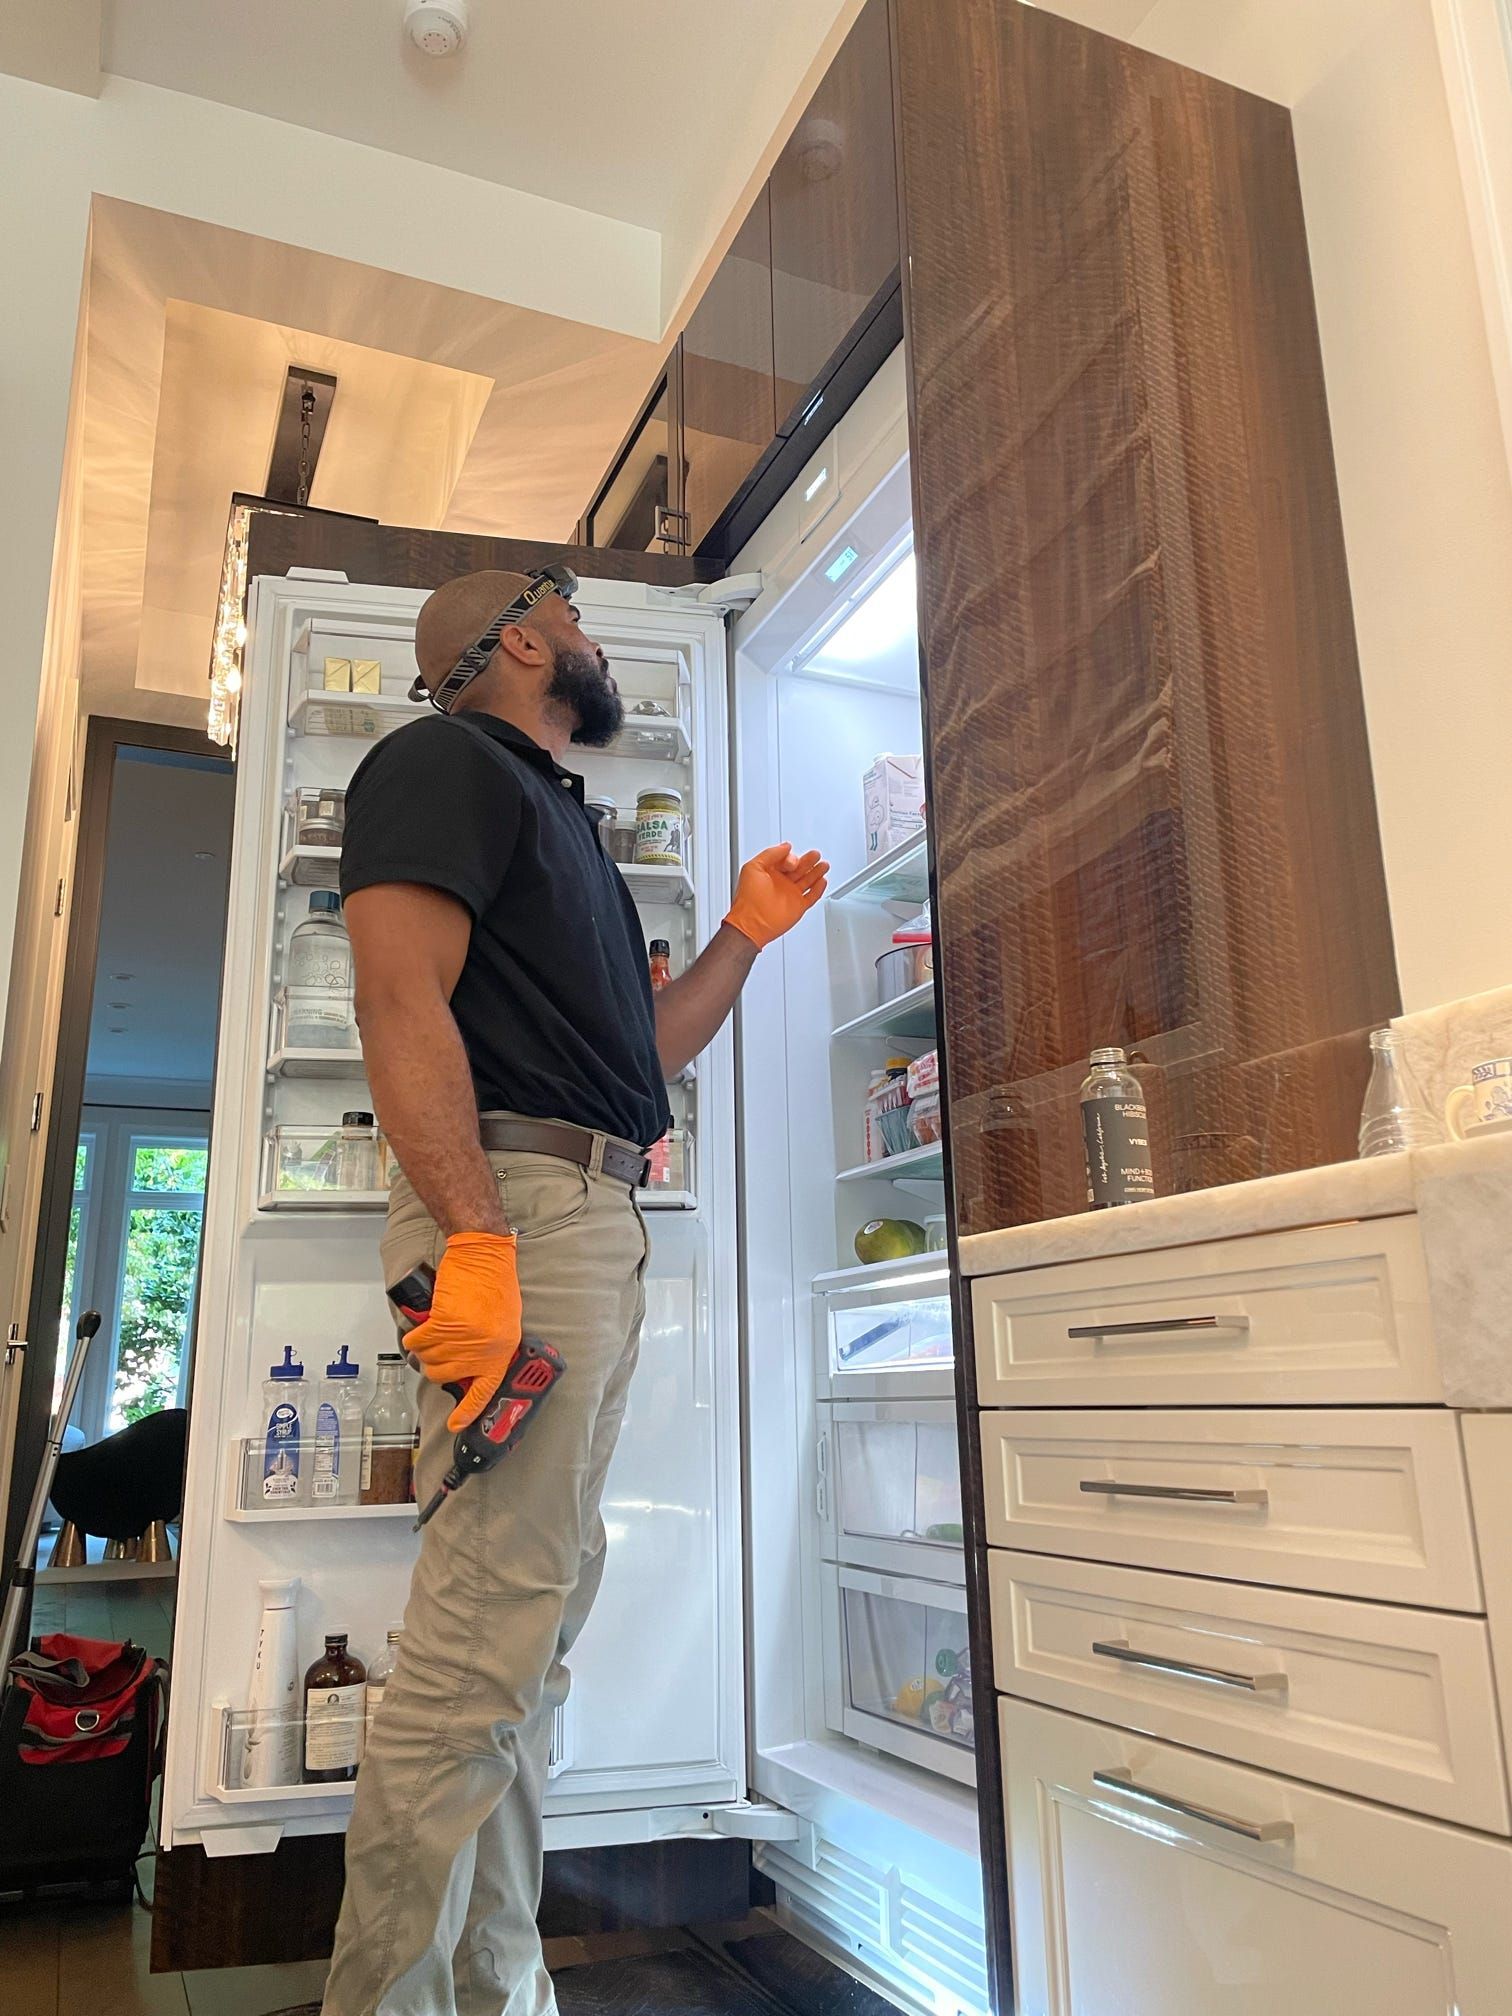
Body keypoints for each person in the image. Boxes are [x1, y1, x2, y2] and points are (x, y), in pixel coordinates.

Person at [320, 565, 827, 2016]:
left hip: (590, 1206)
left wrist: (740, 935)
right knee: (490, 1632)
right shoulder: (436, 763)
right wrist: (476, 1242)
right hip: (521, 1211)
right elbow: (396, 998)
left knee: (530, 1637)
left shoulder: (559, 821)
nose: (599, 646)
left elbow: (640, 1057)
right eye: (582, 621)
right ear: (526, 638)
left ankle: (497, 1988)